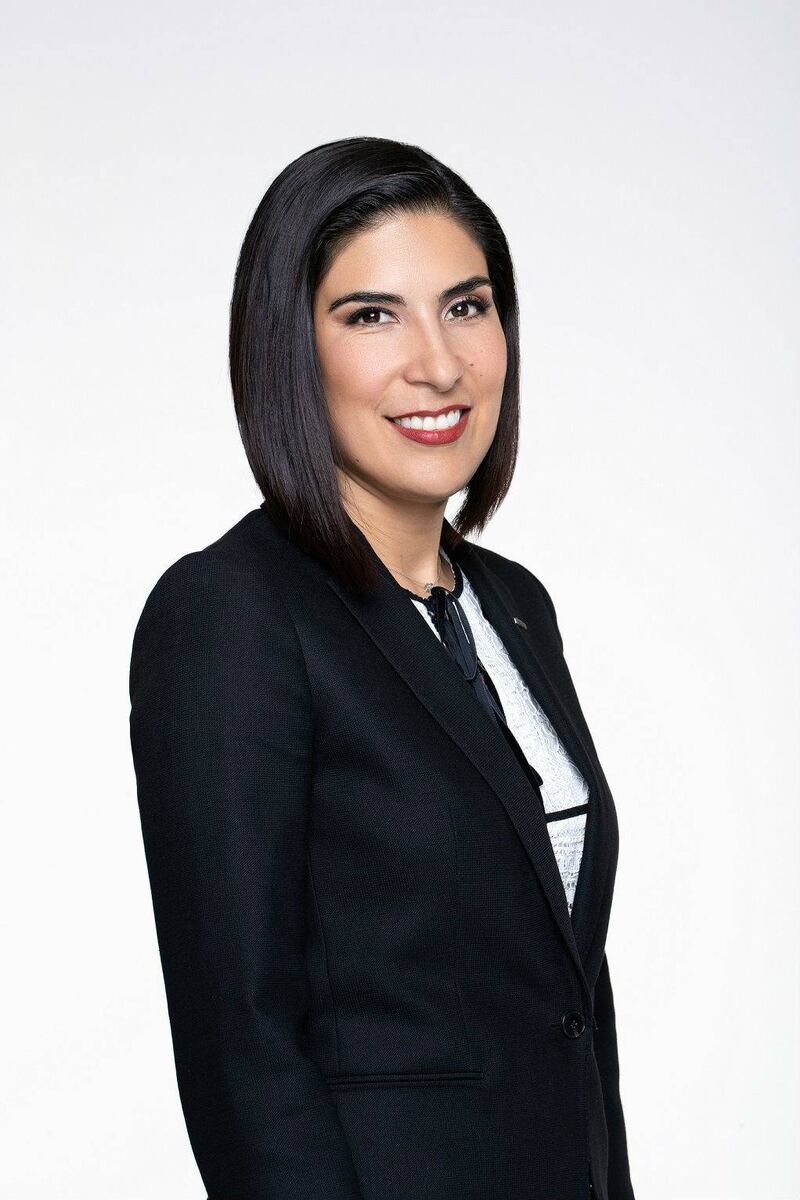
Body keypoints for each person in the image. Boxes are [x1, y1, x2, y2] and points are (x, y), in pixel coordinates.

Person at [129, 136, 636, 1200]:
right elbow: (240, 1036)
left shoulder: (513, 606)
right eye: (372, 316)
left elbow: (568, 999)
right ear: (288, 350)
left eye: (466, 306)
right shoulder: (233, 613)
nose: (438, 364)